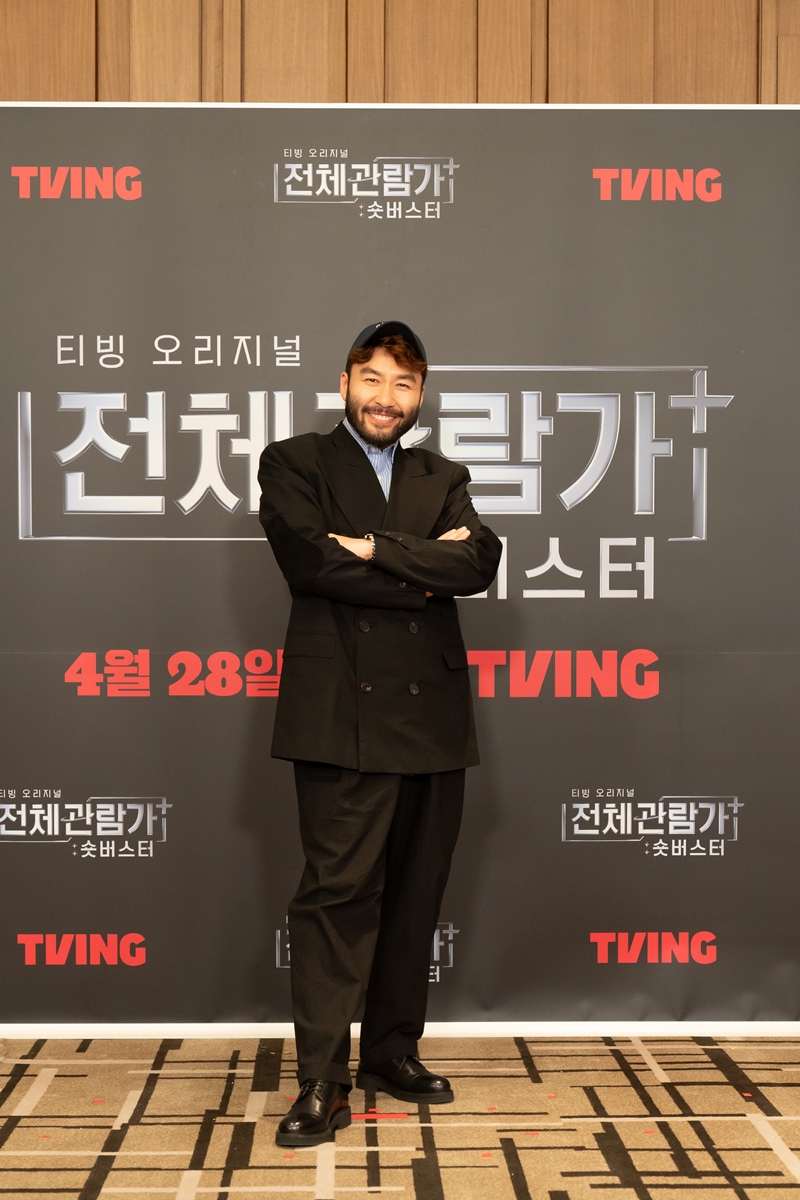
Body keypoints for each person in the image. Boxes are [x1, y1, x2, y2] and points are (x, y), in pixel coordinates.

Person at [258, 321, 502, 1147]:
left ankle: (392, 1052)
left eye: (403, 383)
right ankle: (322, 1080)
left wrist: (374, 548)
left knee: (415, 893)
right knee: (335, 898)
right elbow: (310, 564)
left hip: (432, 715)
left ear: (420, 394)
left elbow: (478, 565)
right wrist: (423, 568)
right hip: (341, 712)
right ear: (344, 383)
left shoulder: (444, 474)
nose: (386, 398)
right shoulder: (294, 462)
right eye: (373, 378)